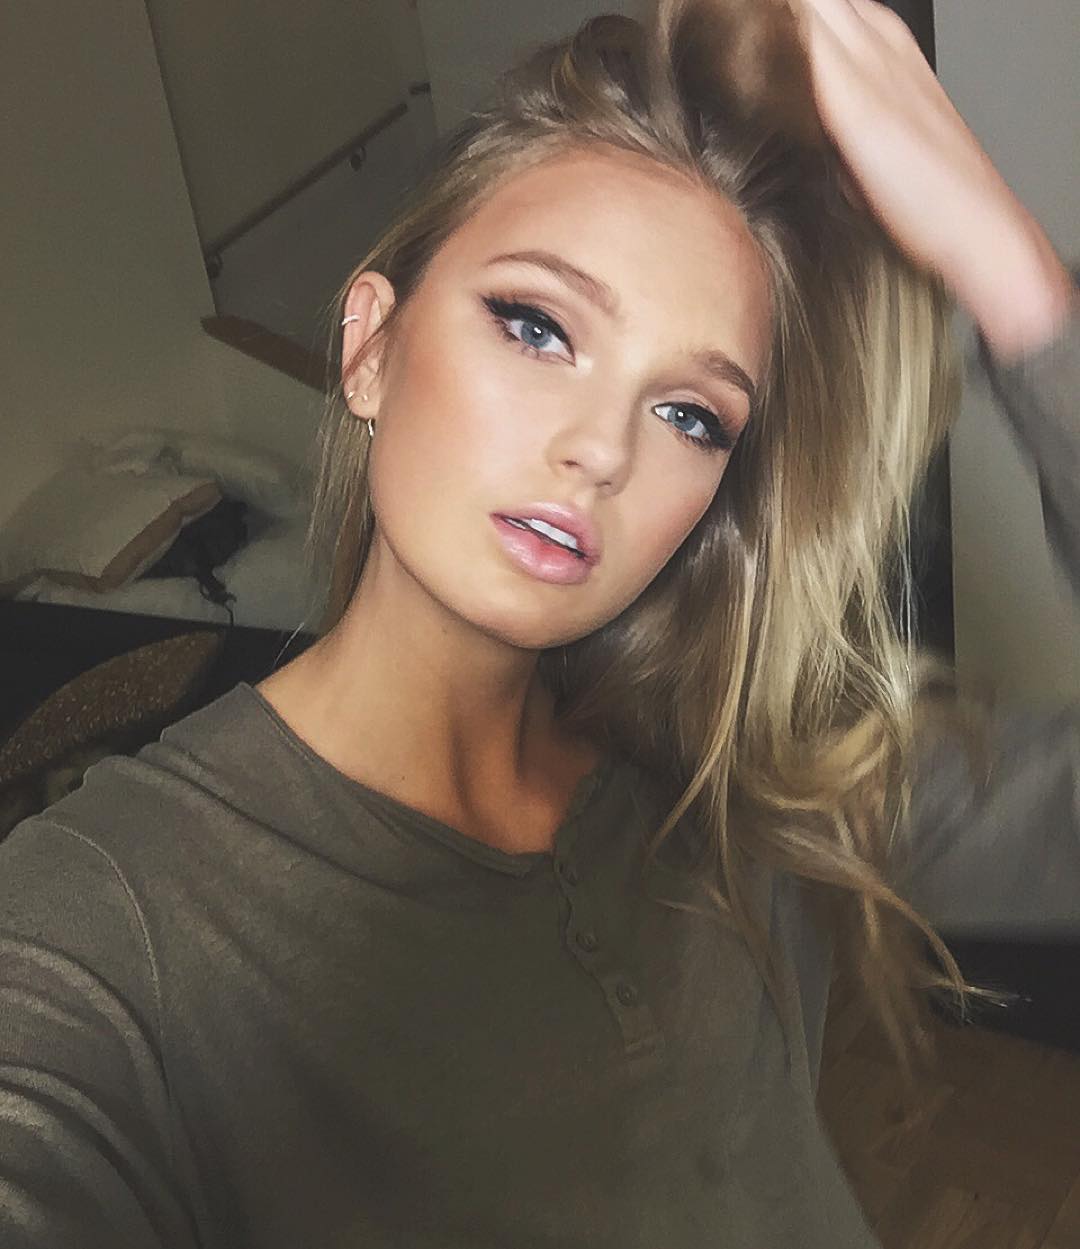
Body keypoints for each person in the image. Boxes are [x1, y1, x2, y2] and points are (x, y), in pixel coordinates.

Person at [0, 0, 1076, 1245]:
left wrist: (1025, 298)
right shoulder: (105, 925)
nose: (602, 449)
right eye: (537, 326)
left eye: (690, 415)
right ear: (370, 348)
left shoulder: (743, 790)